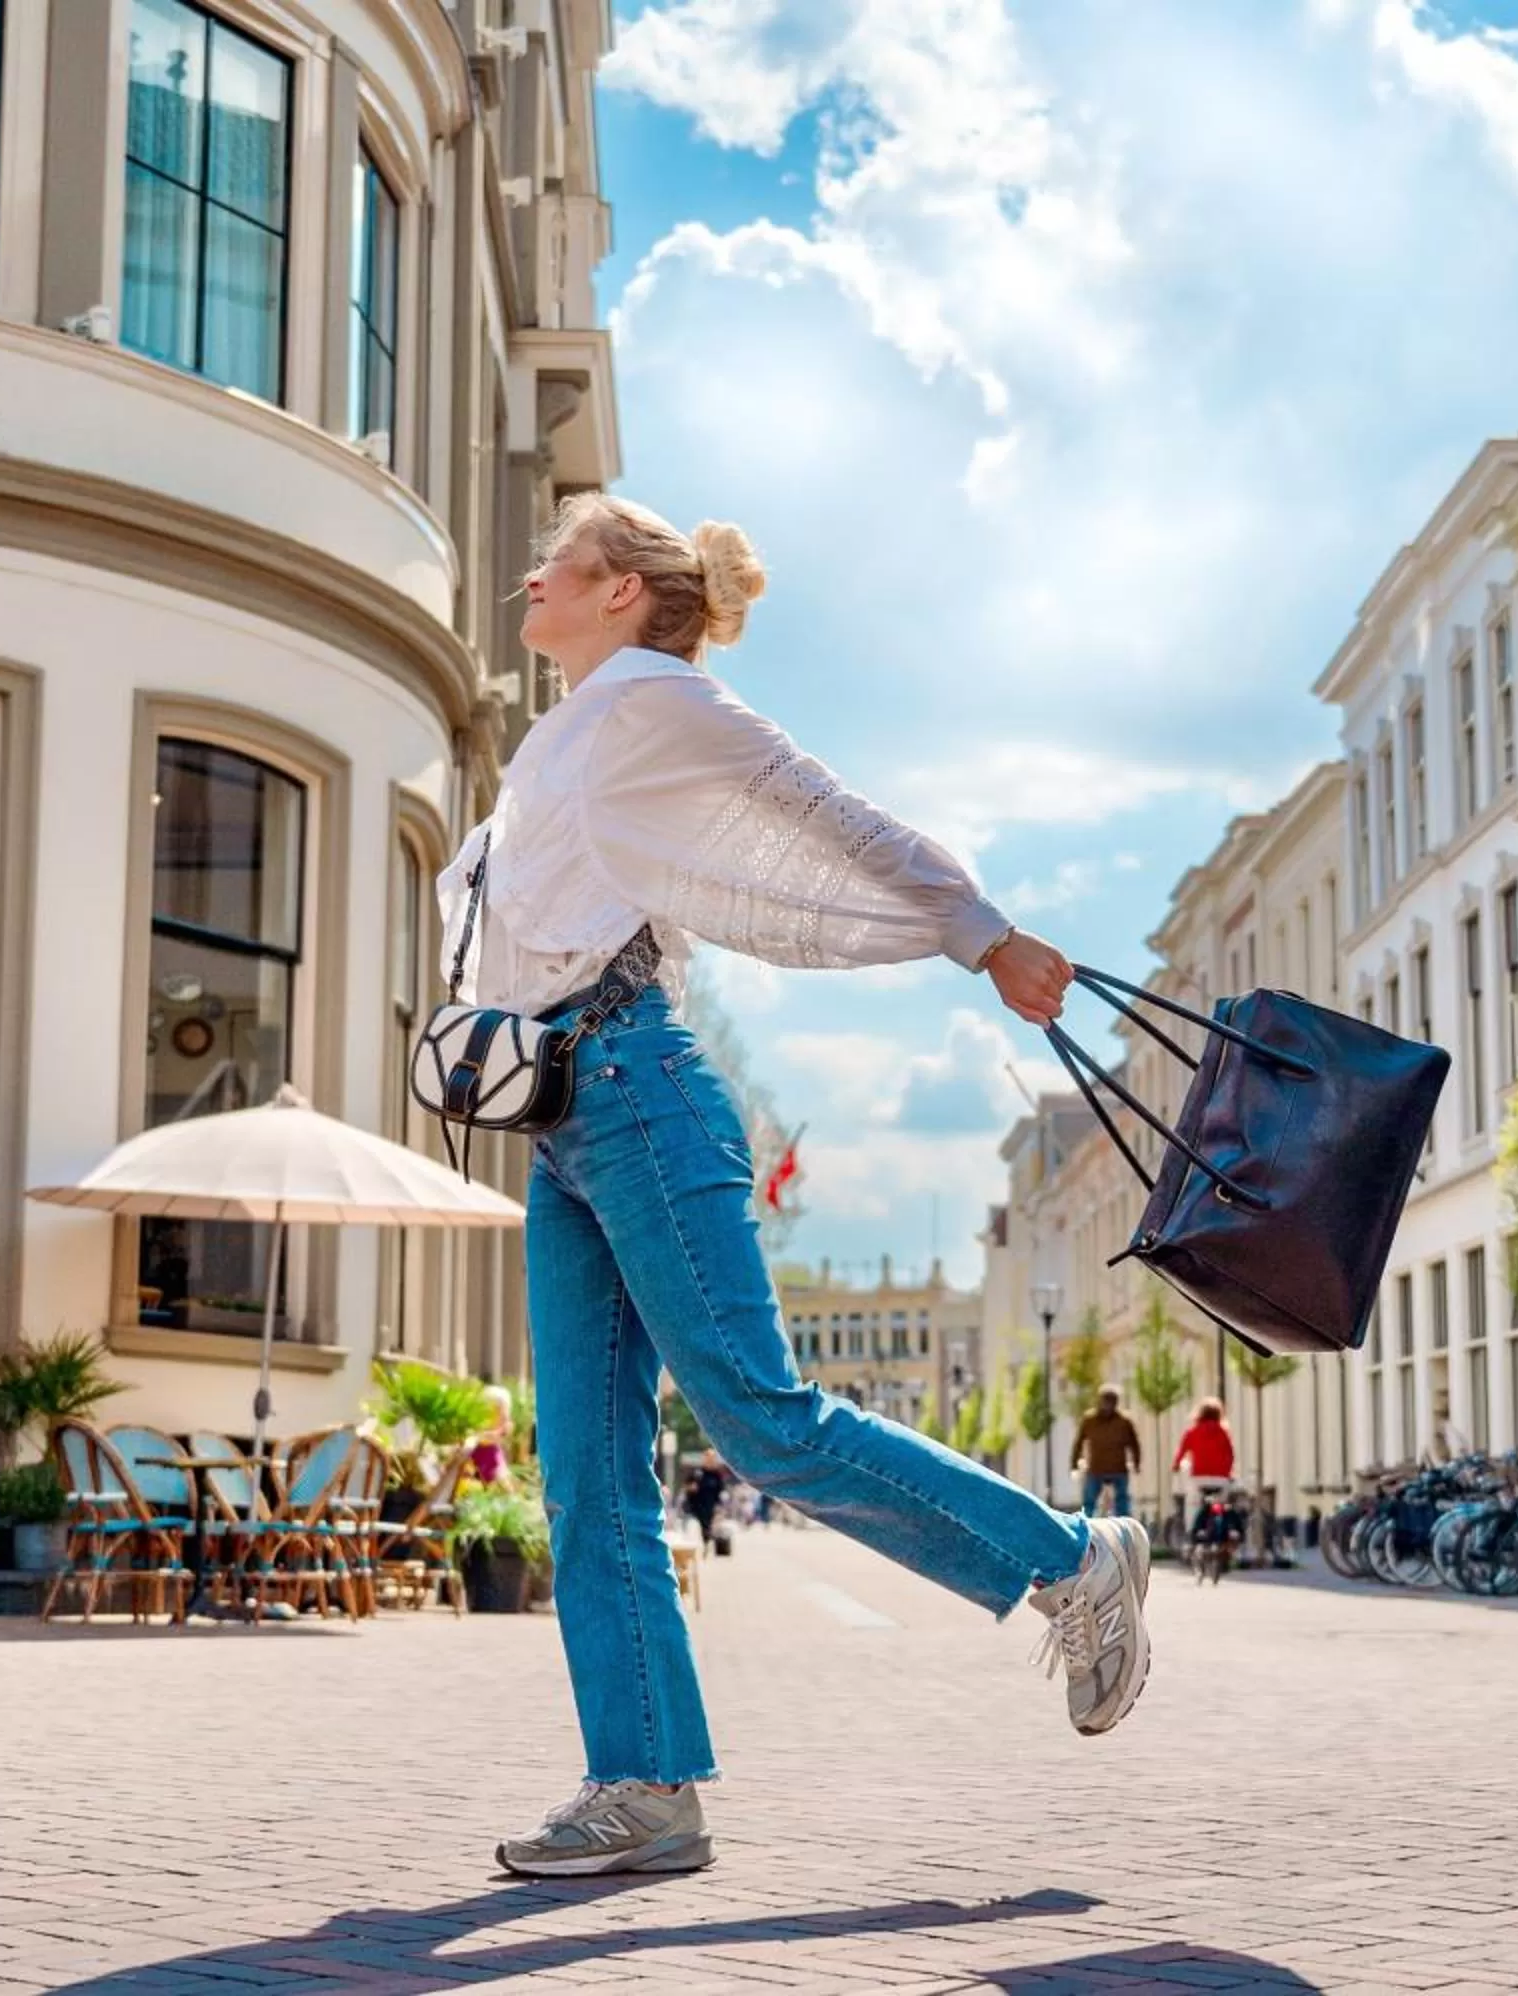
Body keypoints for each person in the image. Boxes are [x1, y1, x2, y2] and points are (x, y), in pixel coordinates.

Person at [453, 495, 1152, 1878]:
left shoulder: (660, 696)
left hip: (641, 1092)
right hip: (564, 1122)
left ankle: (1072, 1559)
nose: (528, 573)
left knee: (761, 1421)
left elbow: (818, 810)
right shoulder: (567, 736)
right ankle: (644, 1787)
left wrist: (982, 937)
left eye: (557, 561)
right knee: (587, 1478)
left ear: (618, 594)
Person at [1071, 1384, 1142, 1520]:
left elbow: (1134, 1444)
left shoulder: (1124, 1421)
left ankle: (1124, 1527)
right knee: (1089, 1502)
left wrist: (1136, 1462)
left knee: (1122, 1502)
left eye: (1112, 1401)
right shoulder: (1089, 1420)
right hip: (1096, 1468)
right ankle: (1086, 1527)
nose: (1108, 1405)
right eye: (1106, 1400)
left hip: (1117, 1468)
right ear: (1100, 1401)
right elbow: (1079, 1442)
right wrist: (1074, 1463)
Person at [1172, 1397, 1235, 1538]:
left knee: (1193, 1504)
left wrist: (1176, 1466)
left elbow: (1182, 1451)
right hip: (1221, 1478)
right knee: (1222, 1504)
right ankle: (1223, 1531)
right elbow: (1230, 1454)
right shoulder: (1223, 1433)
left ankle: (1193, 1531)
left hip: (1199, 1478)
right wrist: (1228, 1472)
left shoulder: (1192, 1432)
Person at [681, 1452, 732, 1541]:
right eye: (708, 1458)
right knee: (699, 1527)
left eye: (712, 1459)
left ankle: (707, 1543)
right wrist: (691, 1487)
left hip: (712, 1507)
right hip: (697, 1506)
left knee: (710, 1528)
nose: (711, 1461)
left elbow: (721, 1491)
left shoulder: (717, 1475)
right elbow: (686, 1486)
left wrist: (721, 1506)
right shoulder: (697, 1473)